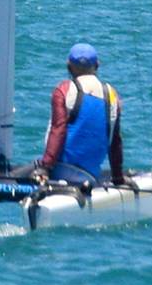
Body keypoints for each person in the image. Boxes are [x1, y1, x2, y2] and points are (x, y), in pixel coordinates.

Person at [34, 42, 125, 188]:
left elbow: (58, 130)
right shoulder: (112, 95)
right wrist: (118, 178)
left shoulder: (63, 90)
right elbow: (115, 142)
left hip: (59, 171)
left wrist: (44, 167)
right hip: (90, 176)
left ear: (69, 67)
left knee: (24, 171)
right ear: (97, 65)